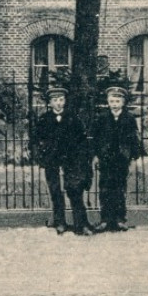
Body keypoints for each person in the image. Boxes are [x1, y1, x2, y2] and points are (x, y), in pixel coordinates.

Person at [33, 85, 93, 236]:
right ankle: (60, 222)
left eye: (61, 99)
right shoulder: (44, 119)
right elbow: (35, 141)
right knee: (55, 190)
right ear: (50, 103)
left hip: (71, 160)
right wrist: (42, 156)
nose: (59, 103)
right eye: (55, 100)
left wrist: (80, 157)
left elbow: (82, 141)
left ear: (65, 101)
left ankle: (81, 224)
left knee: (75, 190)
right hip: (52, 160)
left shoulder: (73, 118)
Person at [92, 84, 145, 232]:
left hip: (121, 159)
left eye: (117, 101)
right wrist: (96, 155)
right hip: (106, 159)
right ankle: (105, 220)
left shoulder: (129, 119)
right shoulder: (102, 118)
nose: (114, 104)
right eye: (112, 101)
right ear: (108, 102)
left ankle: (120, 219)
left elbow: (134, 140)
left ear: (123, 102)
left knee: (120, 188)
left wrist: (133, 159)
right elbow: (96, 138)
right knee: (105, 189)